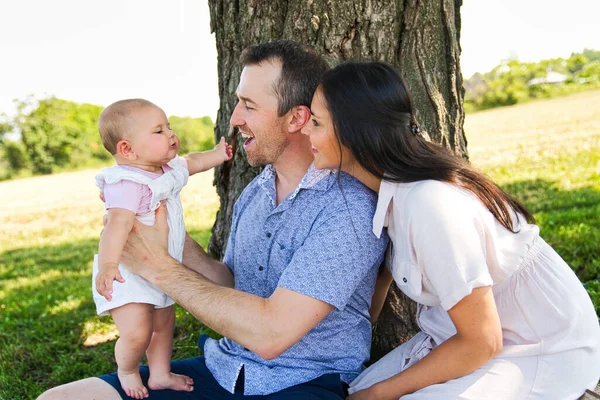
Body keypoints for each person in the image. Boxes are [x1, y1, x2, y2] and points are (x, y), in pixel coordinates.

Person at [38, 40, 388, 400]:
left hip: (304, 382)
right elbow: (233, 284)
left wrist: (157, 265)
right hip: (225, 368)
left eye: (249, 106)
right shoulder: (255, 193)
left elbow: (272, 334)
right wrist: (164, 233)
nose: (235, 118)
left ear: (296, 118)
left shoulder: (348, 209)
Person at [301, 61, 600, 400]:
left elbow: (482, 341)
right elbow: (372, 304)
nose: (304, 132)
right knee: (353, 391)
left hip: (542, 349)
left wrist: (379, 394)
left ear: (353, 131)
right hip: (468, 337)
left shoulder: (429, 204)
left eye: (315, 122)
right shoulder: (390, 192)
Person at [92, 98, 233, 399]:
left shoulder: (166, 169)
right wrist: (107, 265)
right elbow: (116, 225)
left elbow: (193, 162)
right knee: (138, 331)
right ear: (127, 149)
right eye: (158, 131)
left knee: (164, 323)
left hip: (160, 263)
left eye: (168, 126)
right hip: (126, 271)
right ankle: (128, 370)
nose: (170, 134)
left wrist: (218, 154)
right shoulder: (127, 182)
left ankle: (160, 374)